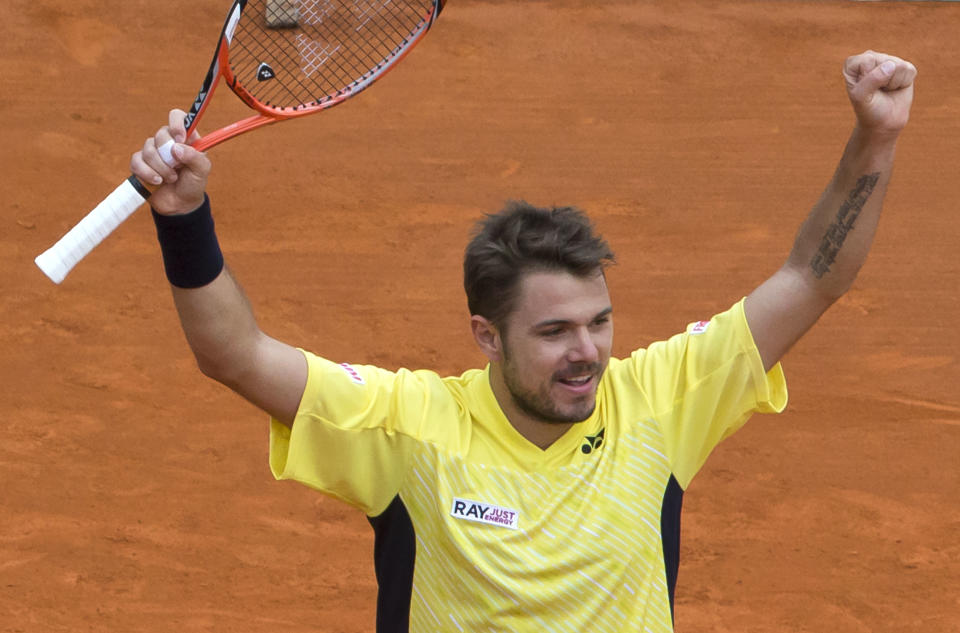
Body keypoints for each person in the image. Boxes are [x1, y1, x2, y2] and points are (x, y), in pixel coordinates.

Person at [132, 50, 916, 632]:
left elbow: (812, 276)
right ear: (486, 335)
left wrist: (875, 139)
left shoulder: (658, 402)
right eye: (553, 331)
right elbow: (233, 354)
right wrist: (184, 220)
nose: (588, 351)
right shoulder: (411, 428)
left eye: (599, 321)